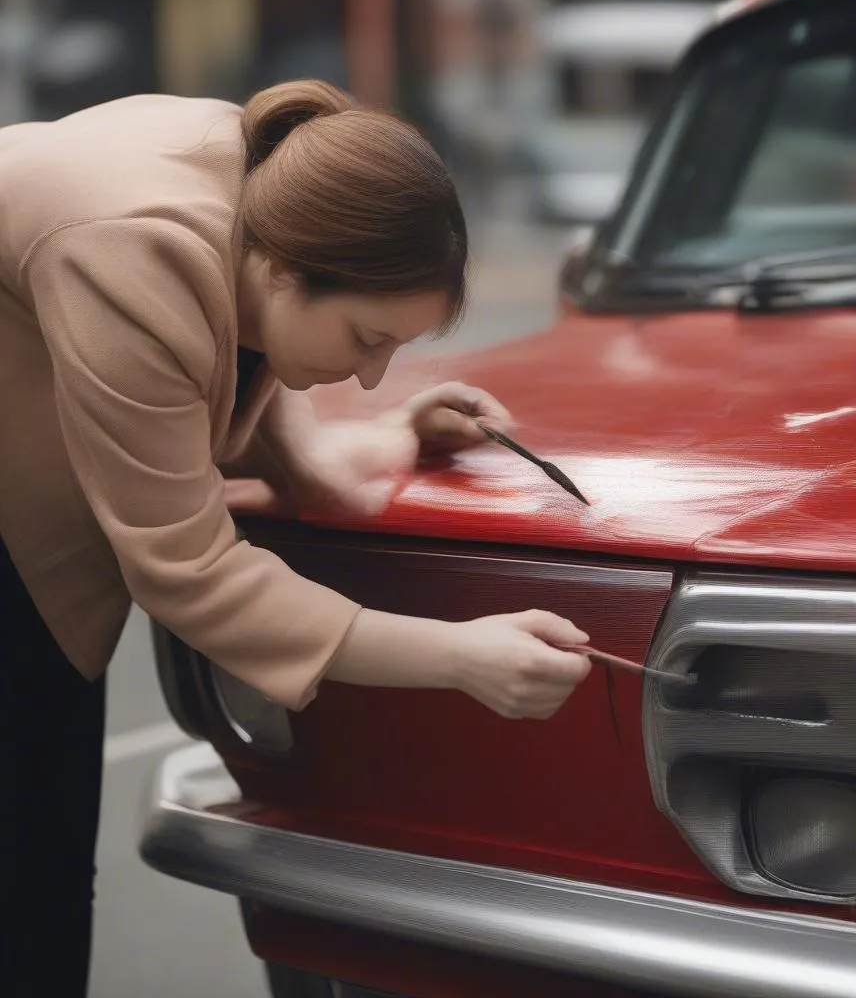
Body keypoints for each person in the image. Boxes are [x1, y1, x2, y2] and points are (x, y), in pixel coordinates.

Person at [0, 79, 592, 997]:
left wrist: (391, 437)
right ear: (284, 270)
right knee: (24, 896)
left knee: (34, 879)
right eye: (367, 337)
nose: (370, 378)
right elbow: (190, 571)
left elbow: (224, 374)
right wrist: (460, 657)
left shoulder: (264, 193)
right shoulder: (133, 247)